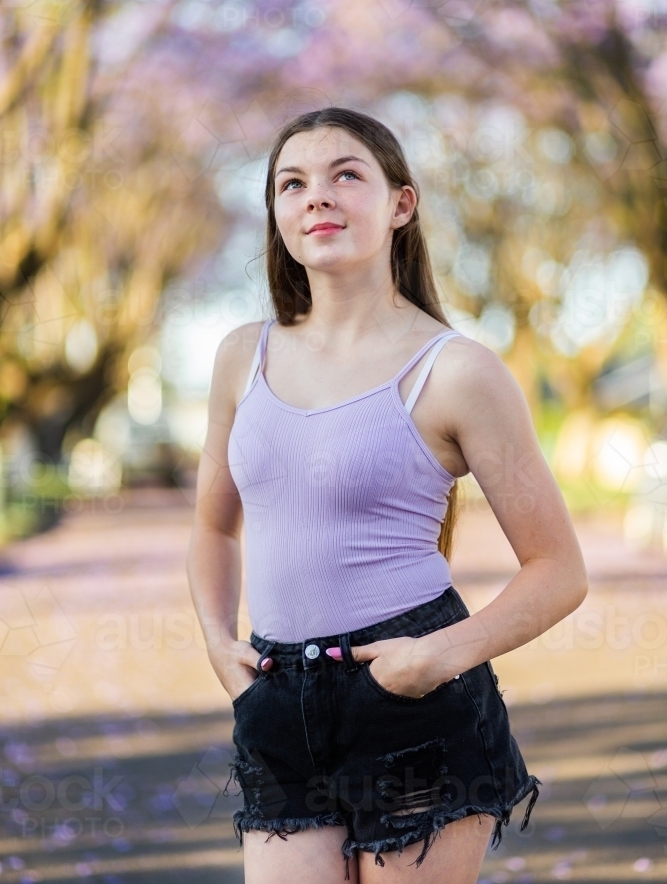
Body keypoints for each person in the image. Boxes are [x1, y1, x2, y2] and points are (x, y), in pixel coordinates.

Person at [187, 107, 588, 884]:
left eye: (346, 175)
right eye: (292, 183)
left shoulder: (456, 371)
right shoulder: (241, 357)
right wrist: (213, 636)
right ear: (275, 212)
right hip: (276, 698)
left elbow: (557, 568)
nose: (317, 197)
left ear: (400, 205)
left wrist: (431, 659)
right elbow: (213, 528)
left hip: (414, 697)